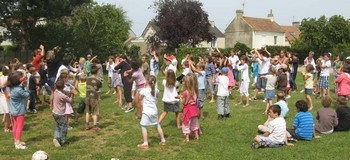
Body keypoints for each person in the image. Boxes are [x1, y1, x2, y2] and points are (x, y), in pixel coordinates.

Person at [137, 75, 166, 149]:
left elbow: (139, 98)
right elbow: (156, 98)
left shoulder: (144, 90)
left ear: (147, 81)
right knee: (157, 124)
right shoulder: (156, 90)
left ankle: (145, 143)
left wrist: (141, 100)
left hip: (147, 112)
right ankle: (163, 140)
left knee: (143, 126)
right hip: (154, 111)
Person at [8, 71, 29, 149]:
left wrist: (23, 79)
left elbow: (19, 80)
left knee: (15, 126)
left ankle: (16, 140)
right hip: (19, 111)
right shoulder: (19, 90)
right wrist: (26, 86)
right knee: (20, 126)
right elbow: (27, 95)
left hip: (13, 110)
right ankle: (18, 144)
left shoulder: (13, 87)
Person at [52, 79, 73, 147]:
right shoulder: (62, 96)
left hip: (54, 113)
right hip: (61, 114)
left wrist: (69, 91)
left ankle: (56, 138)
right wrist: (72, 94)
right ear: (63, 87)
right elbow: (70, 100)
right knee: (64, 128)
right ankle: (63, 141)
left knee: (57, 126)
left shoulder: (55, 91)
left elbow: (63, 91)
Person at [178, 75, 200, 142]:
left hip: (187, 110)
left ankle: (187, 138)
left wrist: (180, 98)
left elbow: (184, 103)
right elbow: (196, 101)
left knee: (186, 123)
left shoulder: (185, 93)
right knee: (195, 123)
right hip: (194, 109)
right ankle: (196, 135)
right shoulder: (194, 91)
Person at [85, 65, 102, 131]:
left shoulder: (87, 79)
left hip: (87, 96)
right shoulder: (98, 80)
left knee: (87, 111)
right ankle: (95, 126)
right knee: (95, 112)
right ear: (97, 72)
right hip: (94, 97)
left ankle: (87, 125)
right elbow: (99, 88)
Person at [0, 66, 11, 133]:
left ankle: (7, 126)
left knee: (7, 113)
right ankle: (6, 128)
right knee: (7, 113)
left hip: (3, 96)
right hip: (7, 96)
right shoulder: (7, 78)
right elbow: (4, 85)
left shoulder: (1, 77)